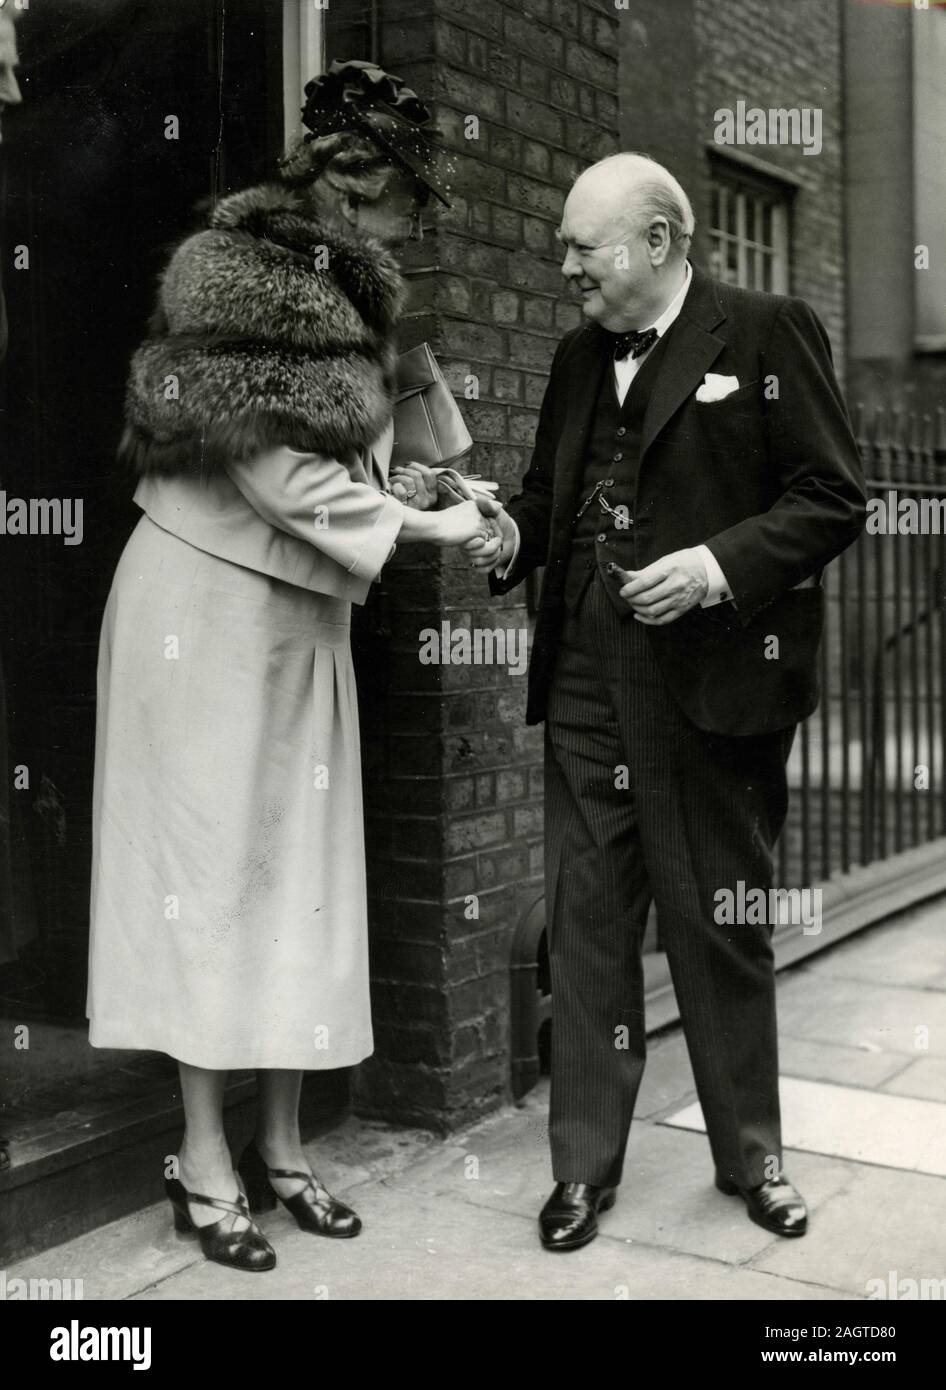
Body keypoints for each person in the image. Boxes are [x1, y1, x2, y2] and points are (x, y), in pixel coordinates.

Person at [86, 60, 491, 1272]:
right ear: (358, 188)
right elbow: (271, 468)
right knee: (213, 875)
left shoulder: (354, 285)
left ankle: (284, 1143)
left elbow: (361, 452)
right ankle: (202, 1157)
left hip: (297, 608)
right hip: (204, 609)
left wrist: (432, 479)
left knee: (295, 880)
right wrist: (426, 526)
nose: (420, 224)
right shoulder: (244, 271)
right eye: (412, 200)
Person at [470, 153, 866, 1251]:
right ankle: (581, 1171)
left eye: (579, 248)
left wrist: (712, 567)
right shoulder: (571, 357)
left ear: (656, 240)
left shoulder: (765, 330)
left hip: (713, 681)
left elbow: (832, 497)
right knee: (590, 926)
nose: (562, 269)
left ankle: (753, 1156)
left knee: (718, 923)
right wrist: (501, 530)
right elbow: (546, 502)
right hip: (589, 677)